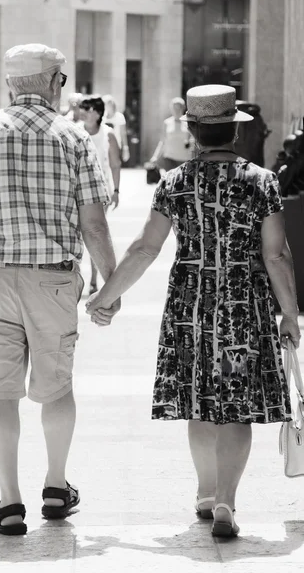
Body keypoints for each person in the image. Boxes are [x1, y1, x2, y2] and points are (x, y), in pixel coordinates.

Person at [86, 84, 300, 539]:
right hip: (243, 311)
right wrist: (289, 312)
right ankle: (226, 501)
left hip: (192, 310)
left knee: (199, 401)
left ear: (193, 132)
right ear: (235, 131)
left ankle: (204, 493)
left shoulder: (176, 182)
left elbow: (145, 248)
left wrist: (105, 298)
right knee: (236, 406)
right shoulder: (261, 181)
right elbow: (277, 255)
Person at [0, 43, 119, 536]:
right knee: (56, 387)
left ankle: (10, 503)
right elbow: (95, 224)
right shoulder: (75, 137)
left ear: (12, 85)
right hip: (53, 277)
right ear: (55, 81)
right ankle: (56, 488)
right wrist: (109, 283)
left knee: (0, 392)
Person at [80, 95, 121, 295]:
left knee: (94, 234)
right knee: (75, 236)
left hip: (99, 192)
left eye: (88, 108)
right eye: (83, 108)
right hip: (75, 192)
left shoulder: (108, 134)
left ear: (98, 112)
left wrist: (116, 190)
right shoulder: (75, 131)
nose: (84, 112)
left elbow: (115, 163)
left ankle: (95, 279)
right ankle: (75, 279)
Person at [149, 97, 193, 171]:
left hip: (184, 159)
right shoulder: (167, 123)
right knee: (170, 181)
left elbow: (192, 141)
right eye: (174, 108)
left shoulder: (188, 123)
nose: (176, 111)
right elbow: (162, 141)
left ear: (183, 108)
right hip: (169, 158)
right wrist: (155, 156)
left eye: (178, 108)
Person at [102, 94, 130, 163]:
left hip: (115, 145)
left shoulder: (119, 117)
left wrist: (125, 148)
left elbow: (123, 133)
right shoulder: (102, 117)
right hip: (103, 146)